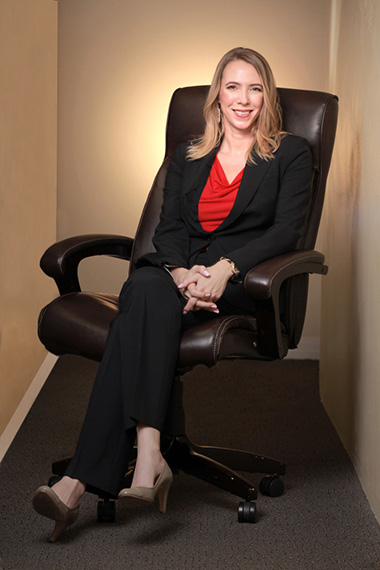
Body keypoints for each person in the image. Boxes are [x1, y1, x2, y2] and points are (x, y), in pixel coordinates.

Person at [33, 47, 312, 542]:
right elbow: (169, 230)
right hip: (179, 281)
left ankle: (80, 480)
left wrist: (224, 270)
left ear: (267, 95)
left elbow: (286, 233)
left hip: (242, 285)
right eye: (232, 86)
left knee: (136, 306)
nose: (243, 99)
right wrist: (184, 275)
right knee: (146, 284)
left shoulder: (290, 153)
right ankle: (147, 454)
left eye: (255, 87)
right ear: (217, 95)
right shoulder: (188, 152)